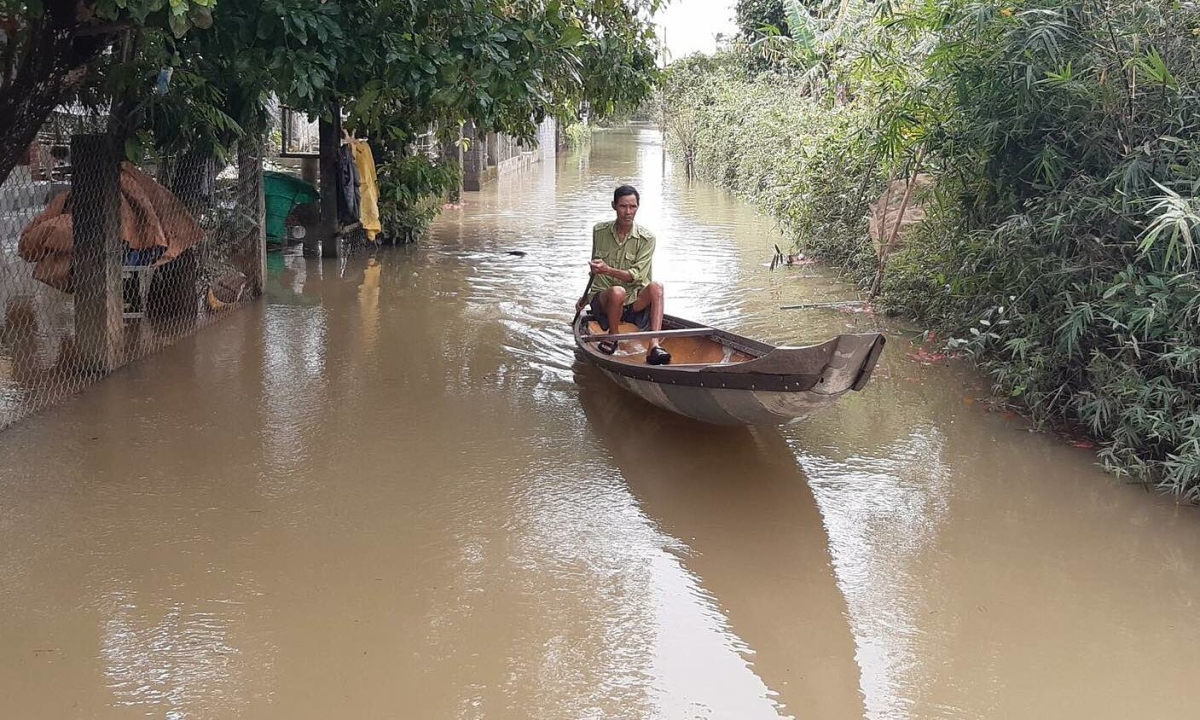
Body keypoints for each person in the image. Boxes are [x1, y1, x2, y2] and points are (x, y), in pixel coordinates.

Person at [575, 184, 671, 365]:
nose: (628, 212)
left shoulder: (647, 238)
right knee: (617, 291)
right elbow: (595, 270)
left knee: (656, 287)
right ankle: (613, 335)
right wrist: (585, 298)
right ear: (614, 206)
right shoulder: (599, 231)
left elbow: (636, 277)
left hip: (633, 302)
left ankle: (654, 344)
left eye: (633, 207)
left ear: (638, 207)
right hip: (605, 300)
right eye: (623, 206)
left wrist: (607, 269)